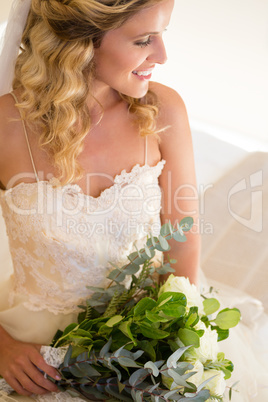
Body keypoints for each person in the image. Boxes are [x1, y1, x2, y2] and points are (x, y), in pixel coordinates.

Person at [0, 0, 201, 400]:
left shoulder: (164, 110)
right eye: (144, 39)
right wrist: (2, 347)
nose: (162, 55)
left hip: (142, 352)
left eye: (162, 35)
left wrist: (171, 345)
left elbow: (182, 238)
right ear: (81, 42)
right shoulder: (4, 126)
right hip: (31, 354)